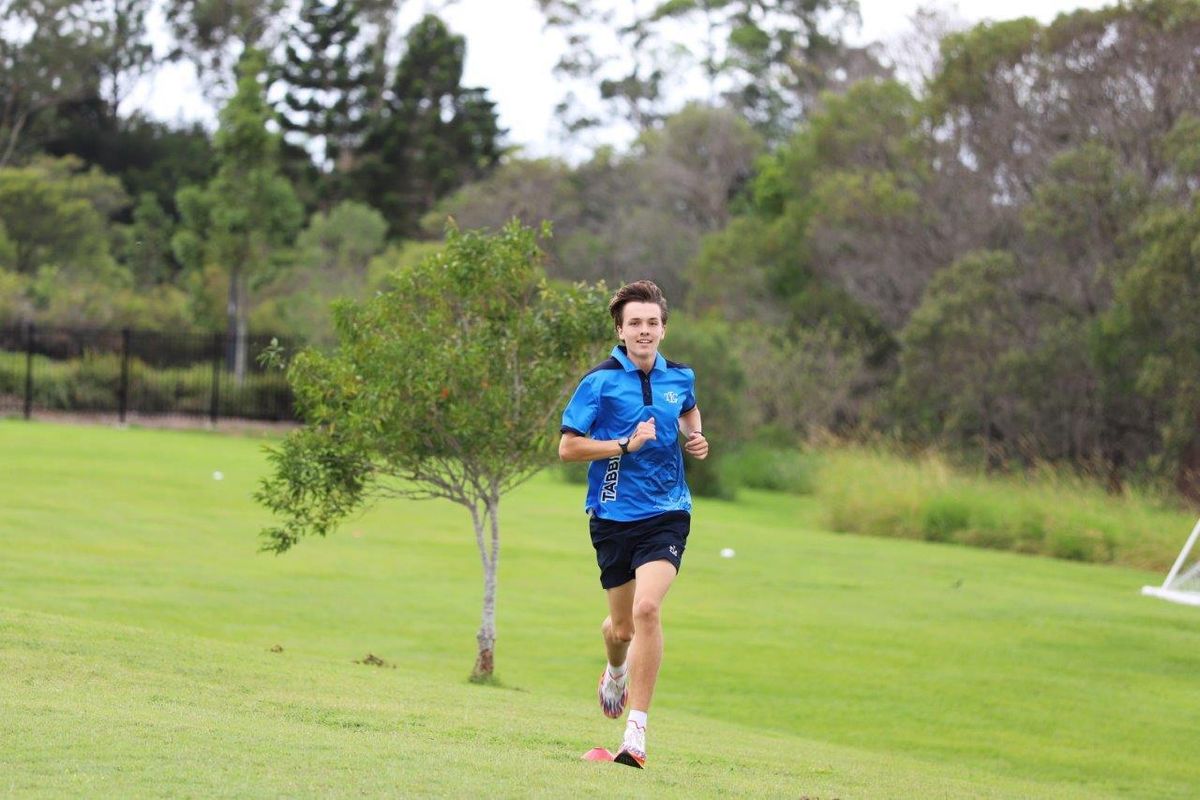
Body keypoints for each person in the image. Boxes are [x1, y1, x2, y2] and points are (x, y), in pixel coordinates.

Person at [558, 279, 709, 769]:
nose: (644, 330)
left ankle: (636, 733)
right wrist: (624, 445)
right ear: (620, 331)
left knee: (647, 608)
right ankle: (615, 670)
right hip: (612, 516)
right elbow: (568, 448)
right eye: (635, 323)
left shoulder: (680, 376)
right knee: (621, 629)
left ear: (663, 329)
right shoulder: (599, 382)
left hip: (668, 512)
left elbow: (688, 411)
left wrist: (695, 436)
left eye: (652, 322)